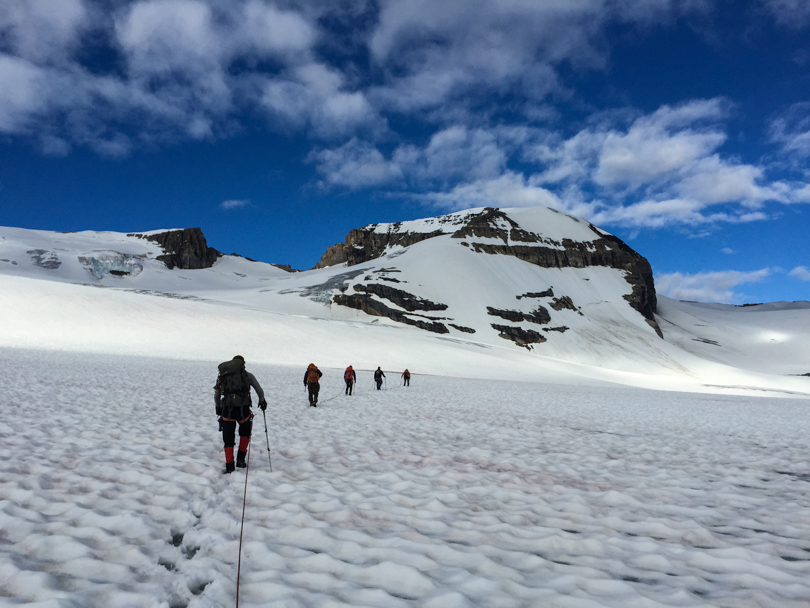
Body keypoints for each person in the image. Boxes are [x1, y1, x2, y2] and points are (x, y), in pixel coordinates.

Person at [214, 355, 266, 474]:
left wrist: (218, 407)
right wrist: (262, 401)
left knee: (228, 438)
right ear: (242, 365)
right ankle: (240, 460)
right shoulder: (248, 375)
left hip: (227, 410)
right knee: (245, 432)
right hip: (243, 411)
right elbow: (260, 391)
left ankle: (229, 466)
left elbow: (217, 395)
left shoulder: (223, 376)